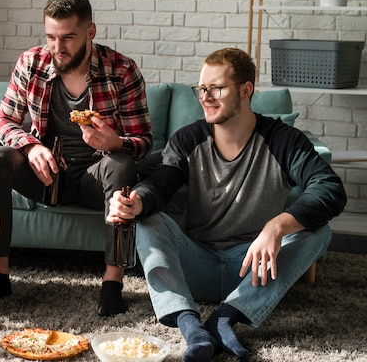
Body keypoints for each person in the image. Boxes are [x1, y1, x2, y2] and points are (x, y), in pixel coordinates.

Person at [108, 48, 347, 361]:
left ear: (246, 90)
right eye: (202, 89)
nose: (205, 96)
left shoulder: (283, 140)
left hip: (254, 270)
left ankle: (225, 318)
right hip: (194, 263)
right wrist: (137, 202)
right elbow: (160, 181)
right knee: (148, 219)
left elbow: (329, 188)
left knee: (318, 231)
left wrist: (277, 226)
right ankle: (189, 323)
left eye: (216, 88)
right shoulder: (188, 139)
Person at [0, 0, 153, 316]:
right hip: (45, 175)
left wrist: (114, 142)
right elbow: (4, 120)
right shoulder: (32, 63)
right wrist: (30, 147)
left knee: (122, 165)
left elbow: (143, 141)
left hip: (95, 177)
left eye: (68, 38)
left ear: (90, 32)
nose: (58, 48)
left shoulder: (122, 71)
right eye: (51, 37)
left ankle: (113, 282)